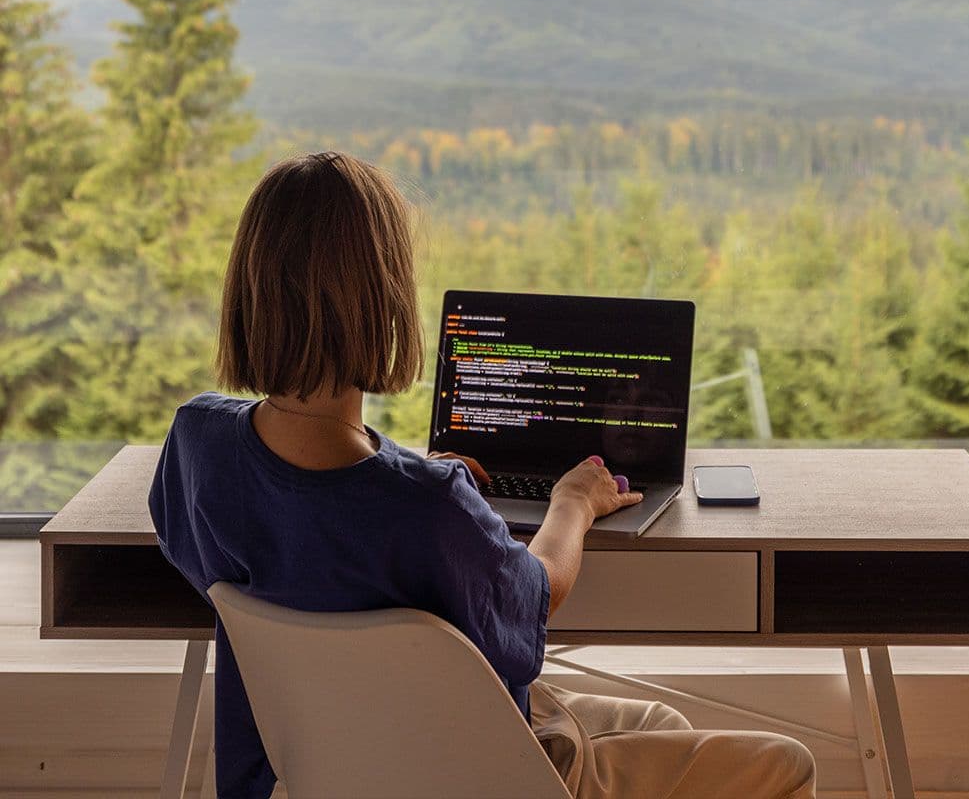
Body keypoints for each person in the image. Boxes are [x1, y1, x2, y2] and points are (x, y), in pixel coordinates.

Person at [149, 151, 816, 799]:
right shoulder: (430, 507)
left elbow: (288, 528)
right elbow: (537, 593)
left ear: (247, 291)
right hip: (484, 776)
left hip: (308, 769)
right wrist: (574, 502)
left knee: (662, 725)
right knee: (786, 762)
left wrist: (404, 473)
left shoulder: (198, 441)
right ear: (384, 301)